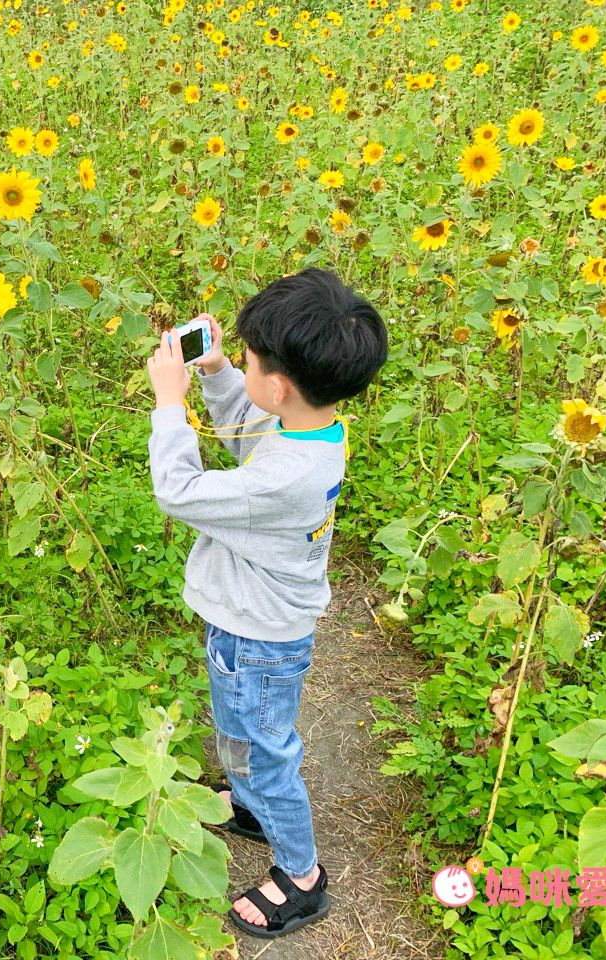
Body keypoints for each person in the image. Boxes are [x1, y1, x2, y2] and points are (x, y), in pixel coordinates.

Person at [145, 267, 388, 939]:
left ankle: (301, 875)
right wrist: (221, 370)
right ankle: (249, 806)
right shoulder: (310, 429)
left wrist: (170, 402)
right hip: (255, 625)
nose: (242, 369)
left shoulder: (283, 481)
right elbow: (249, 423)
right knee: (244, 738)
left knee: (263, 749)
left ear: (280, 384)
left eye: (249, 360)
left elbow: (179, 490)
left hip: (256, 640)